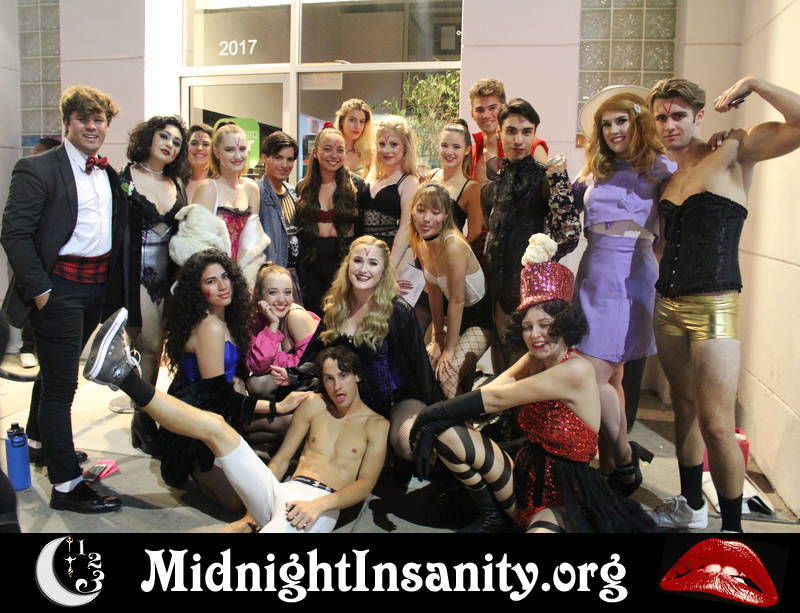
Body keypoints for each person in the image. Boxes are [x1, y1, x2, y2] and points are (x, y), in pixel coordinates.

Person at [410, 235, 655, 533]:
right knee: (448, 433)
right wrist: (442, 420)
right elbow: (494, 389)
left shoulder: (575, 369)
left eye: (545, 325)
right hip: (523, 473)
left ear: (563, 324)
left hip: (564, 492)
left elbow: (498, 399)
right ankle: (492, 516)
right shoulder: (536, 358)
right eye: (527, 326)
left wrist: (430, 415)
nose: (535, 335)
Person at [646, 77, 800, 533]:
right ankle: (692, 505)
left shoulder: (733, 150)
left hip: (714, 306)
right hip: (666, 305)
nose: (670, 125)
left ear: (699, 116)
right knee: (684, 409)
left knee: (717, 424)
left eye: (678, 115)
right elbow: (664, 244)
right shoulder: (668, 176)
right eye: (661, 117)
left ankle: (733, 534)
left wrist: (753, 83)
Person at [85, 309, 382, 533]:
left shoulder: (376, 425)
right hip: (282, 489)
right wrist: (252, 512)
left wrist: (319, 505)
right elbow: (281, 461)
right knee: (215, 426)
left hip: (321, 503)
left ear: (357, 376)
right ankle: (122, 375)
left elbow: (365, 485)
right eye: (329, 378)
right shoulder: (314, 405)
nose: (336, 386)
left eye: (343, 376)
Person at [1, 85, 125, 513]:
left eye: (98, 120)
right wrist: (41, 291)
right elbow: (14, 234)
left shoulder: (108, 173)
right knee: (61, 388)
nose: (91, 127)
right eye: (82, 119)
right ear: (67, 122)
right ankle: (67, 486)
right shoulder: (37, 168)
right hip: (57, 291)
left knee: (55, 374)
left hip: (95, 290)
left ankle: (40, 442)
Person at [572, 89, 675, 495]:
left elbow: (670, 230)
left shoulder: (662, 168)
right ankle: (612, 465)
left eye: (621, 121)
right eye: (606, 124)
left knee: (596, 373)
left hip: (632, 274)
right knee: (611, 375)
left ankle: (625, 459)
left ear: (638, 122)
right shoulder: (594, 169)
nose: (613, 130)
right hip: (593, 271)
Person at [293, 235, 441, 464]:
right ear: (347, 265)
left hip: (397, 400)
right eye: (358, 261)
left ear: (383, 271)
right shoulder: (337, 307)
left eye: (373, 263)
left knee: (408, 443)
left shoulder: (398, 311)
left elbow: (419, 366)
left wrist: (438, 413)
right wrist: (293, 375)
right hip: (348, 401)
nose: (363, 270)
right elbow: (317, 355)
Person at [159, 250, 277, 510]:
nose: (223, 286)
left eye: (225, 277)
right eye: (211, 281)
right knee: (237, 503)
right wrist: (275, 406)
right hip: (197, 428)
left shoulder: (227, 319)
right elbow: (214, 397)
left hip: (222, 413)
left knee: (289, 422)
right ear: (197, 290)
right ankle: (197, 470)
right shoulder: (209, 326)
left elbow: (229, 379)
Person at [482, 98, 580, 371]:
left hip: (532, 290)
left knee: (528, 362)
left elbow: (569, 235)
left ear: (535, 133)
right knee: (502, 354)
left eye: (526, 132)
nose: (518, 140)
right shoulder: (494, 183)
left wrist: (541, 263)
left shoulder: (546, 178)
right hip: (497, 285)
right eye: (511, 131)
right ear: (500, 132)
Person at [118, 115, 189, 454]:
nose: (169, 145)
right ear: (148, 137)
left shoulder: (177, 183)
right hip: (135, 275)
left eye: (176, 142)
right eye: (164, 136)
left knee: (158, 348)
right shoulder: (124, 178)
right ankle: (143, 417)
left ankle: (144, 412)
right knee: (146, 345)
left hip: (169, 278)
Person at [409, 183, 492, 399]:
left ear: (446, 215)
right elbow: (435, 296)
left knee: (447, 374)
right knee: (426, 364)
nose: (426, 219)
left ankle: (465, 420)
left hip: (479, 320)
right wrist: (437, 338)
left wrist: (449, 350)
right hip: (453, 318)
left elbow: (456, 301)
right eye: (421, 210)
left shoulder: (453, 245)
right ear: (412, 211)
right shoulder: (422, 243)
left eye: (435, 212)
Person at [295, 125, 360, 315]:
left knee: (341, 317)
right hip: (309, 266)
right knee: (312, 320)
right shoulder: (302, 188)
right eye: (327, 149)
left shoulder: (356, 186)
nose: (334, 155)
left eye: (340, 150)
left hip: (343, 265)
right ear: (316, 153)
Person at [192, 122, 267, 285]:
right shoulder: (207, 189)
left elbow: (253, 243)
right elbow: (196, 246)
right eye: (230, 150)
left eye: (242, 149)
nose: (238, 156)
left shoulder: (251, 188)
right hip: (212, 280)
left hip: (244, 279)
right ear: (217, 152)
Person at [246, 263, 320, 410]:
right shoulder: (258, 320)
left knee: (257, 385)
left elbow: (312, 365)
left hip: (311, 384)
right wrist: (273, 325)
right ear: (259, 295)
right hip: (285, 385)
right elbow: (257, 366)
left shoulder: (296, 317)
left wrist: (274, 360)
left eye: (287, 292)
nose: (282, 300)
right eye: (273, 292)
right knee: (254, 384)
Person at [18, 138, 61, 369]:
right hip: (34, 256)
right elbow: (15, 232)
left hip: (60, 265)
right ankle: (27, 347)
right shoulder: (30, 171)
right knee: (31, 301)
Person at [360, 115, 420, 269]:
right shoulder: (372, 175)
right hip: (364, 252)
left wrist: (390, 267)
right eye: (382, 144)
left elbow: (406, 228)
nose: (386, 150)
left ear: (405, 146)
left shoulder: (409, 181)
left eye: (393, 144)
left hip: (392, 255)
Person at [468, 78, 549, 185]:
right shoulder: (471, 152)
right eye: (480, 110)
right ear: (472, 113)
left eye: (492, 108)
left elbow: (546, 191)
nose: (486, 115)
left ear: (503, 109)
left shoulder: (532, 147)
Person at [426, 119, 483, 247]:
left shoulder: (472, 188)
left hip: (449, 255)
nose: (449, 152)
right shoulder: (431, 175)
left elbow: (474, 235)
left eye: (456, 147)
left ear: (467, 149)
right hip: (421, 252)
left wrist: (454, 253)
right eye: (444, 145)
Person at [258, 131, 301, 293]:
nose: (285, 164)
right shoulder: (257, 193)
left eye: (290, 159)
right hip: (268, 280)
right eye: (278, 157)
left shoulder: (293, 193)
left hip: (292, 277)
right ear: (264, 157)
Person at [335, 98, 375, 178]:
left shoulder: (369, 154)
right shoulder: (330, 151)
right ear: (341, 121)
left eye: (362, 121)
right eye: (352, 120)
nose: (357, 126)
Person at [185, 123, 213, 203]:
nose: (199, 148)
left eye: (206, 144)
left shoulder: (221, 183)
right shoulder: (176, 183)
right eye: (194, 143)